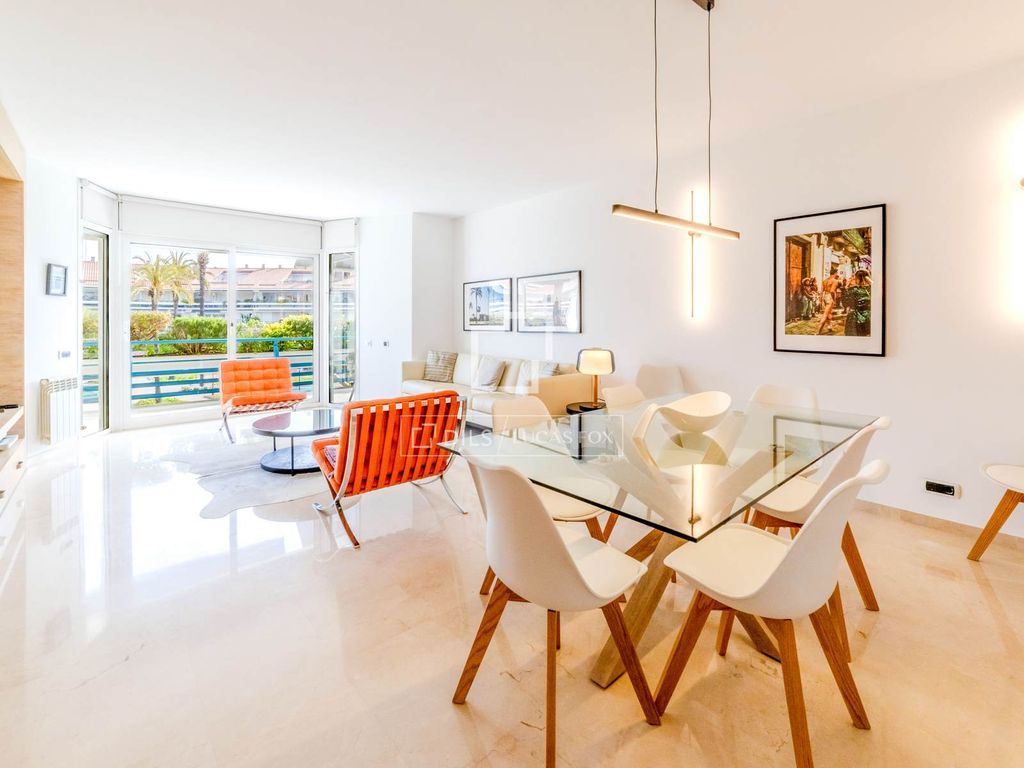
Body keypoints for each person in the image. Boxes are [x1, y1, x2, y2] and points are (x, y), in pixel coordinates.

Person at [843, 269, 872, 336]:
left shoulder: (853, 290)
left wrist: (847, 286)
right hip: (869, 316)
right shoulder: (872, 289)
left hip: (855, 317)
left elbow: (845, 302)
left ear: (856, 278)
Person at [816, 267, 841, 335]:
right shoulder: (835, 281)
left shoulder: (825, 280)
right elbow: (832, 291)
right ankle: (818, 331)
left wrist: (821, 299)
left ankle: (830, 327)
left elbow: (822, 291)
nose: (837, 274)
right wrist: (834, 299)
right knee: (825, 314)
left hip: (825, 296)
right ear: (835, 273)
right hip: (830, 296)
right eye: (837, 273)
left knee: (829, 313)